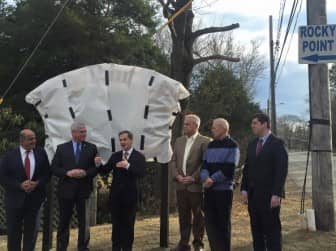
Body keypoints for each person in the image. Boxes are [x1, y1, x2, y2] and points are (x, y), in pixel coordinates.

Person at [241, 113, 288, 251]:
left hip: (270, 197)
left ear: (265, 124)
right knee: (256, 231)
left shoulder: (277, 143)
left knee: (272, 231)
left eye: (255, 123)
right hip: (253, 196)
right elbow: (247, 168)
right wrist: (244, 189)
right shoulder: (252, 144)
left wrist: (277, 194)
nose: (252, 126)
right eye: (252, 123)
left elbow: (281, 170)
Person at [0, 129, 50, 251]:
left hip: (35, 201)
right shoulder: (9, 156)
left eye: (34, 138)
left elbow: (47, 173)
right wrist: (19, 185)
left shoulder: (41, 153)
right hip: (14, 201)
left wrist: (37, 183)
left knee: (31, 235)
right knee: (13, 234)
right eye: (30, 139)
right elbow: (2, 177)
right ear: (21, 140)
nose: (34, 141)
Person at [52, 122, 99, 251]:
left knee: (84, 222)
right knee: (63, 222)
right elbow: (54, 168)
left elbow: (95, 169)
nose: (84, 134)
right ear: (73, 133)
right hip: (66, 191)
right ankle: (61, 247)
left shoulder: (92, 148)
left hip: (83, 191)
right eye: (81, 132)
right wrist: (67, 173)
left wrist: (85, 173)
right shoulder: (62, 148)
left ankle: (83, 247)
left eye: (85, 131)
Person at [96, 130, 146, 251]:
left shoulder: (138, 156)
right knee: (116, 226)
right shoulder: (116, 156)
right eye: (121, 140)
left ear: (131, 140)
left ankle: (127, 248)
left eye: (125, 139)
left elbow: (141, 173)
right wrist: (98, 165)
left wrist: (127, 166)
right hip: (116, 198)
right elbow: (105, 171)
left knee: (128, 226)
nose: (122, 142)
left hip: (130, 198)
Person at [170, 114, 211, 251]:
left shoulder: (205, 141)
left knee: (198, 216)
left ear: (195, 125)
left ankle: (198, 244)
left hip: (196, 186)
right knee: (183, 215)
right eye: (184, 123)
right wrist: (177, 176)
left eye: (187, 124)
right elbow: (173, 161)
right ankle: (184, 243)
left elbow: (206, 163)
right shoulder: (179, 141)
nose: (184, 126)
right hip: (180, 185)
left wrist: (194, 177)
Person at [200, 118, 240, 251]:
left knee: (222, 225)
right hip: (209, 191)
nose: (212, 130)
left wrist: (213, 179)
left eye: (214, 127)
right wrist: (205, 178)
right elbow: (204, 164)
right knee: (210, 224)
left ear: (223, 128)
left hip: (223, 192)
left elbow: (230, 168)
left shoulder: (232, 145)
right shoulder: (211, 145)